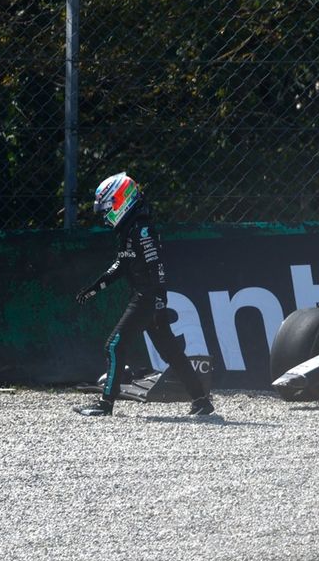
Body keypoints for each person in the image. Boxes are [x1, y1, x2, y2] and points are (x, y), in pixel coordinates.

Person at [74, 172, 214, 417]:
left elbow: (157, 267)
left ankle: (105, 404)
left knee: (114, 346)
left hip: (146, 299)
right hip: (148, 299)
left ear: (121, 202)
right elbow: (121, 265)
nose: (106, 216)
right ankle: (202, 401)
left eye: (108, 208)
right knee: (171, 352)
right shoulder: (131, 230)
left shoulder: (142, 230)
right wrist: (93, 289)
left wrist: (159, 303)